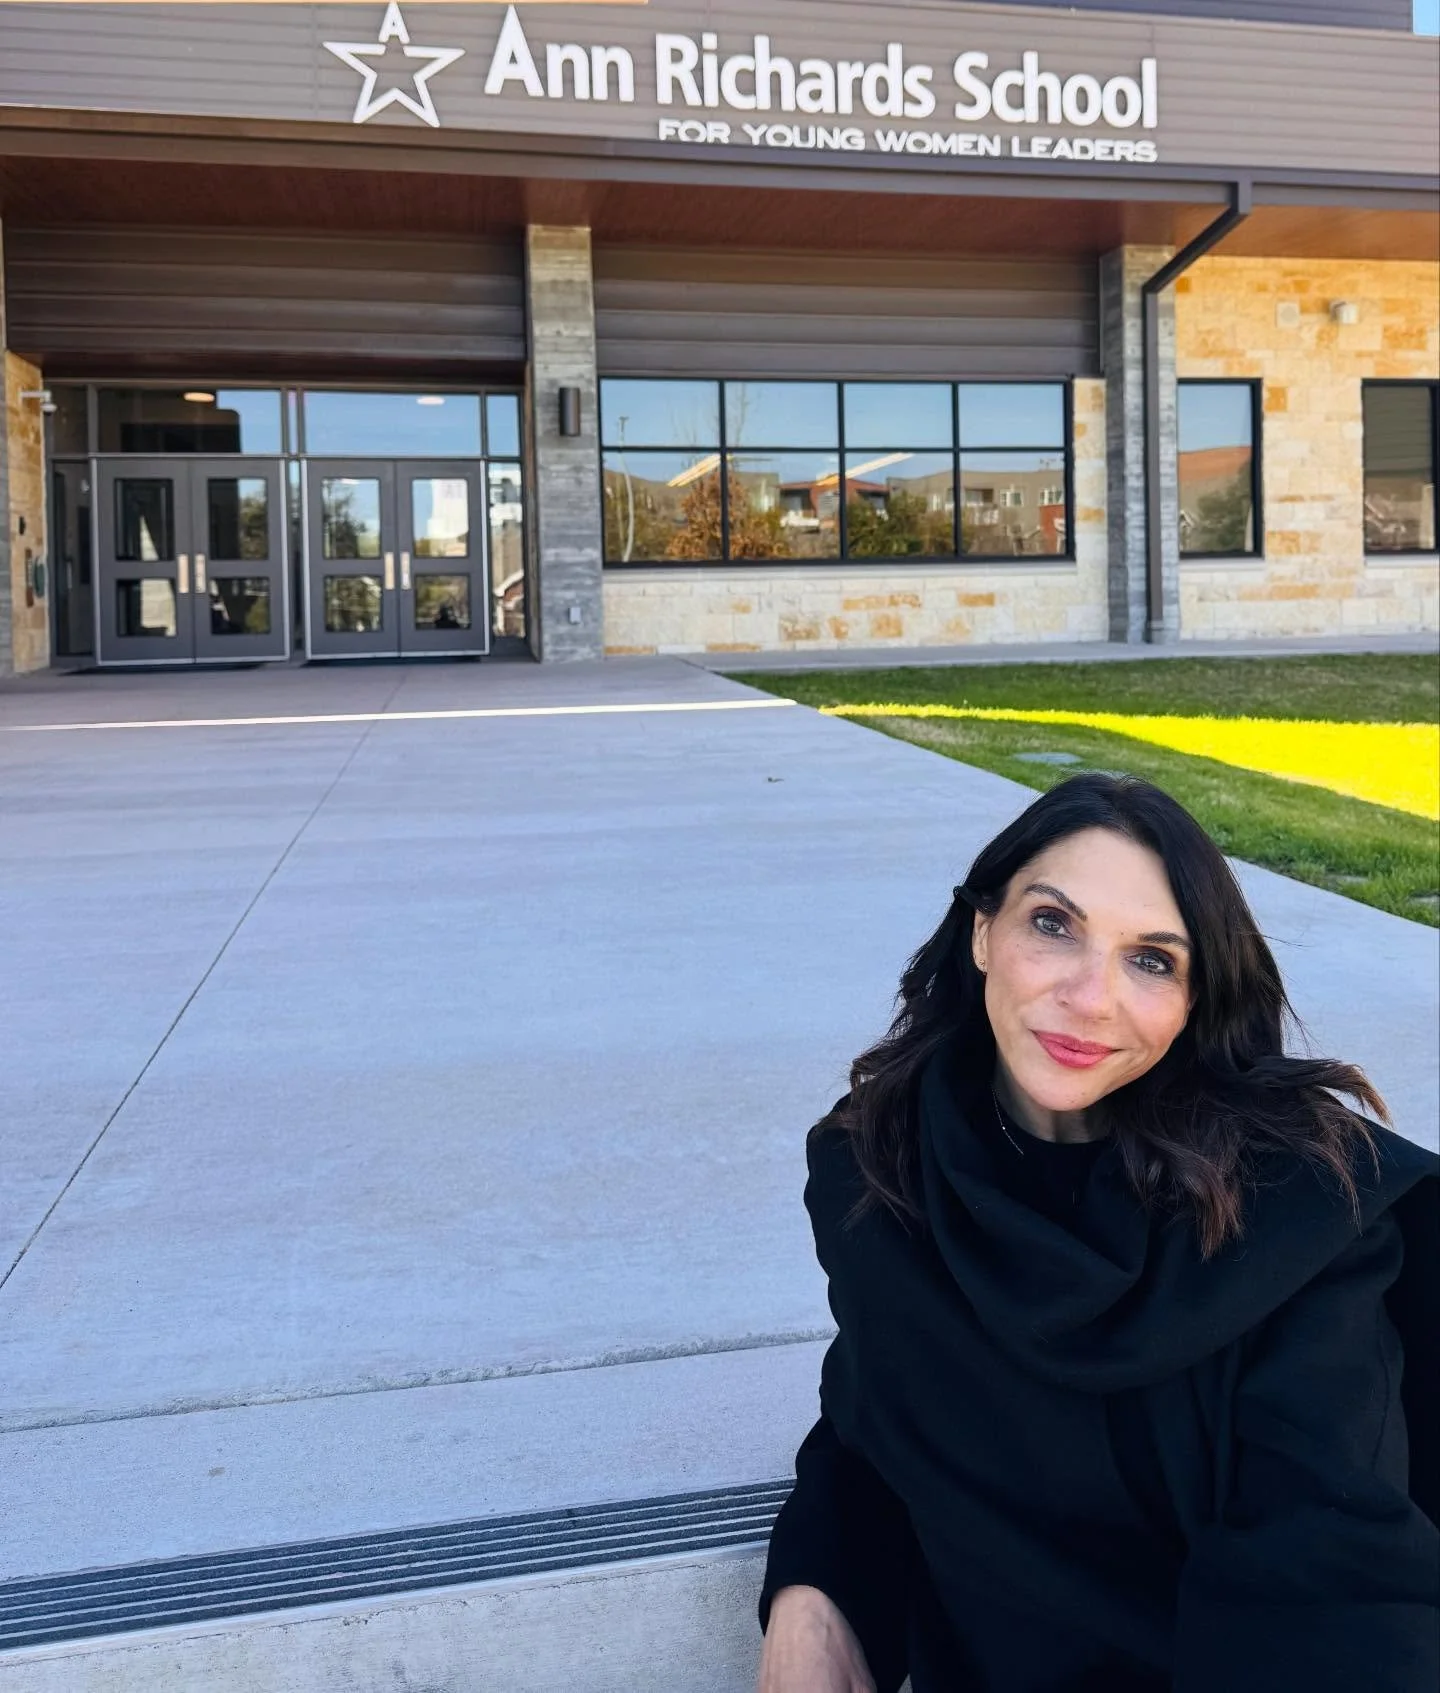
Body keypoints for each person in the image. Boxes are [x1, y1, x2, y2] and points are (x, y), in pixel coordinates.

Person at [756, 774, 1438, 1693]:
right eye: (1053, 923)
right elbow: (880, 1405)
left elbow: (1331, 1580)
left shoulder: (1302, 1211)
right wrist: (813, 1593)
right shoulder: (882, 1165)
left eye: (1151, 960)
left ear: (1195, 998)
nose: (1091, 996)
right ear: (982, 931)